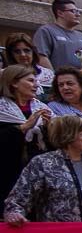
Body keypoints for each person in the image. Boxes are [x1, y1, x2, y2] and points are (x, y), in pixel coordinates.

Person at [0, 64, 52, 201]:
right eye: (30, 80)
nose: (36, 84)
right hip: (8, 173)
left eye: (36, 80)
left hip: (38, 171)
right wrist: (24, 127)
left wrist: (48, 128)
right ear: (14, 83)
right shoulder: (2, 108)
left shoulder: (42, 107)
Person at [33, 0, 82, 70]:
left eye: (78, 11)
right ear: (60, 13)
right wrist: (54, 78)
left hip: (80, 80)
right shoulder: (46, 31)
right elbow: (41, 57)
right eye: (73, 11)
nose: (78, 14)